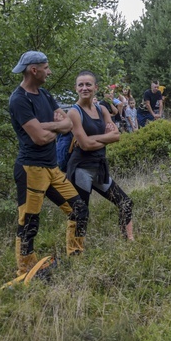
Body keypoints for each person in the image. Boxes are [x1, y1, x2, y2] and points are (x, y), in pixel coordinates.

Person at [8, 51, 89, 277]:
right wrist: (54, 127)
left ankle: (76, 255)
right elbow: (39, 138)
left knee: (79, 210)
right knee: (29, 222)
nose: (49, 71)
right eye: (46, 67)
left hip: (52, 169)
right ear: (34, 70)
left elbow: (67, 123)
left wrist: (46, 126)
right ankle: (25, 270)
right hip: (30, 169)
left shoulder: (44, 94)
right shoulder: (19, 99)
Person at [67, 71, 135, 240]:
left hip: (99, 168)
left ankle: (129, 241)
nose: (84, 88)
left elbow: (117, 136)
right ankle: (76, 253)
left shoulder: (102, 109)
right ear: (75, 88)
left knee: (126, 203)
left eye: (88, 84)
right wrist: (106, 138)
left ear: (95, 87)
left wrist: (95, 139)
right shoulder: (74, 113)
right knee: (81, 213)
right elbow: (85, 145)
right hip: (80, 169)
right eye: (80, 85)